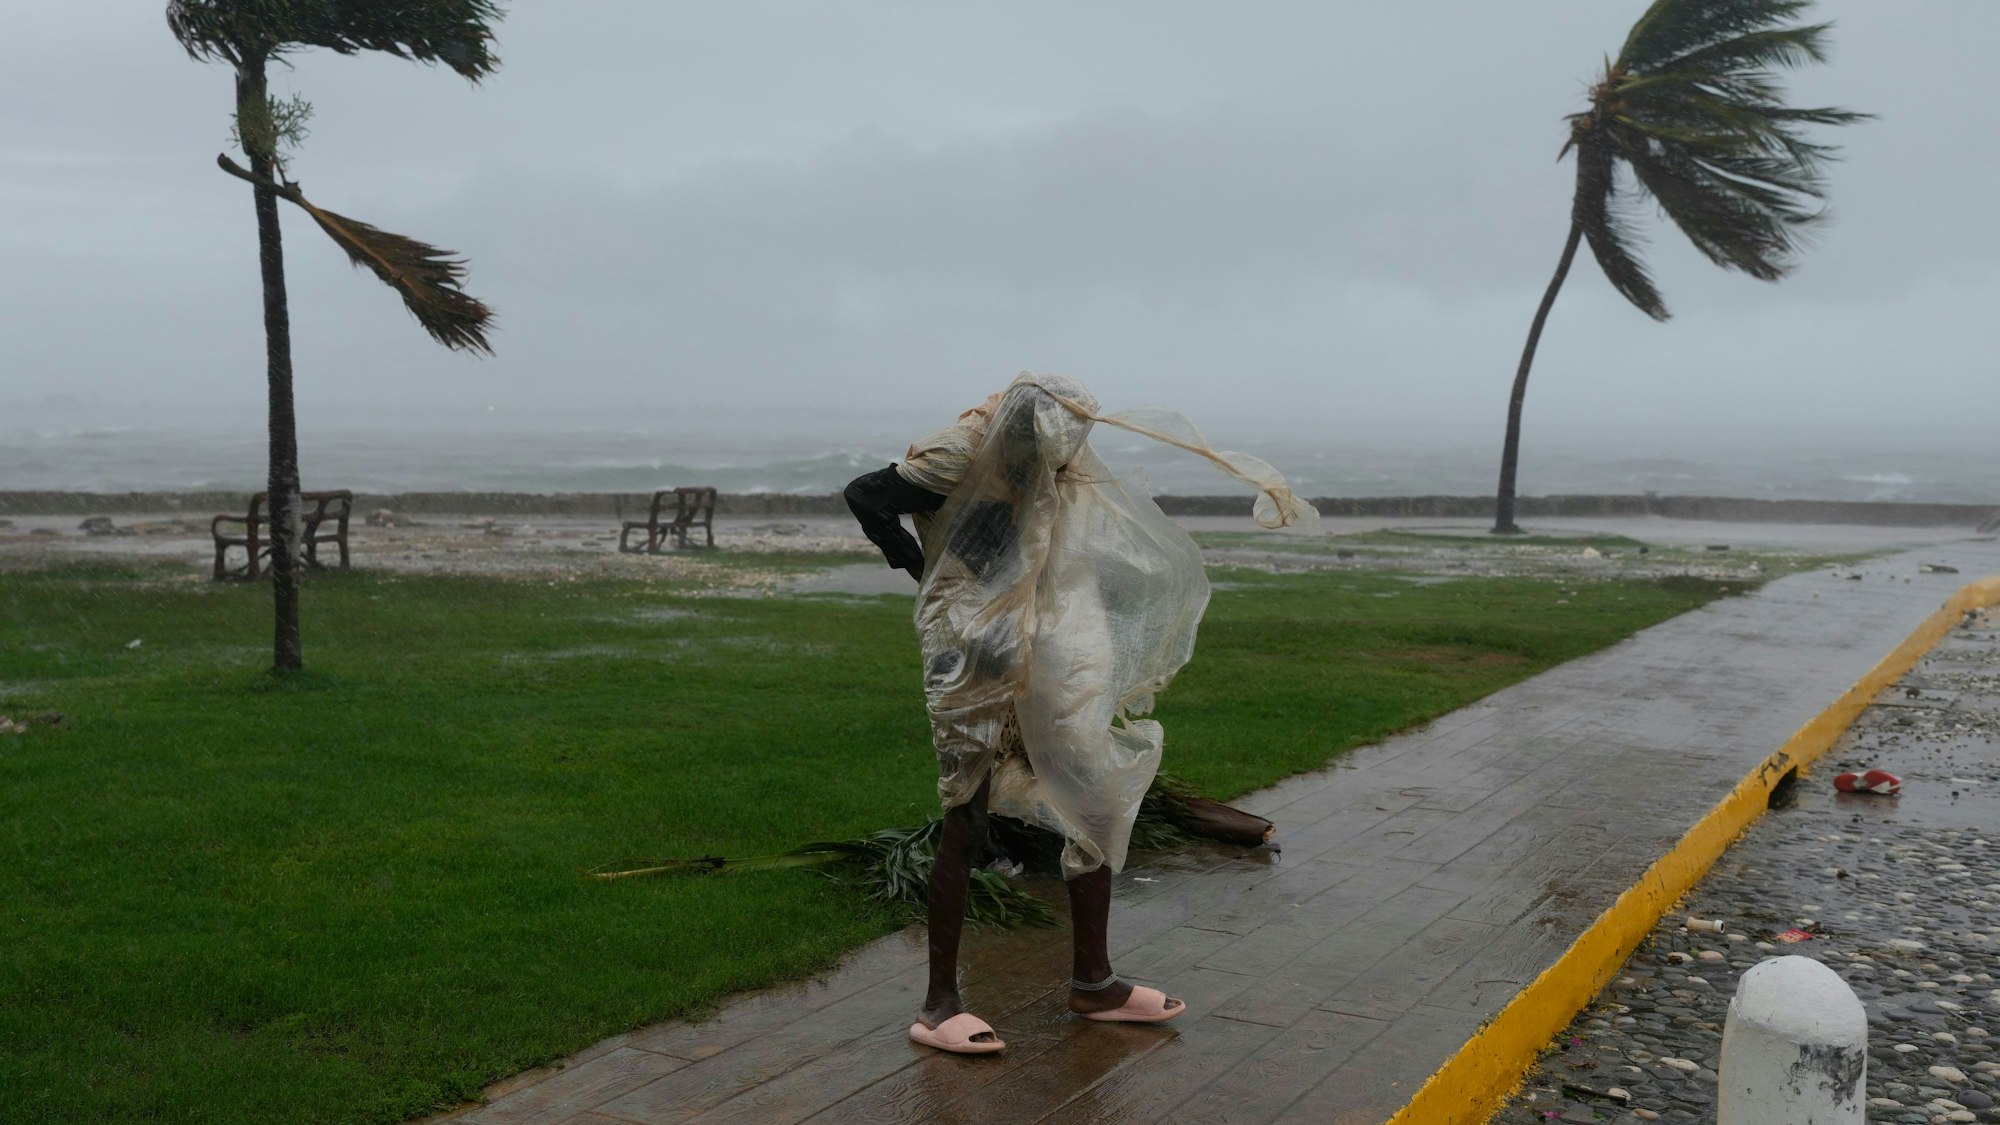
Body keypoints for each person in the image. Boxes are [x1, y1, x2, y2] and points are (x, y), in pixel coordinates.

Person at [844, 373, 1315, 1055]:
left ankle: (1094, 982)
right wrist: (929, 571)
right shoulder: (958, 453)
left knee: (1092, 795)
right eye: (1059, 444)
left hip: (1044, 629)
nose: (1070, 457)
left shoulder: (1065, 449)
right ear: (1023, 431)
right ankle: (938, 1002)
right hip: (972, 642)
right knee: (966, 810)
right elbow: (866, 494)